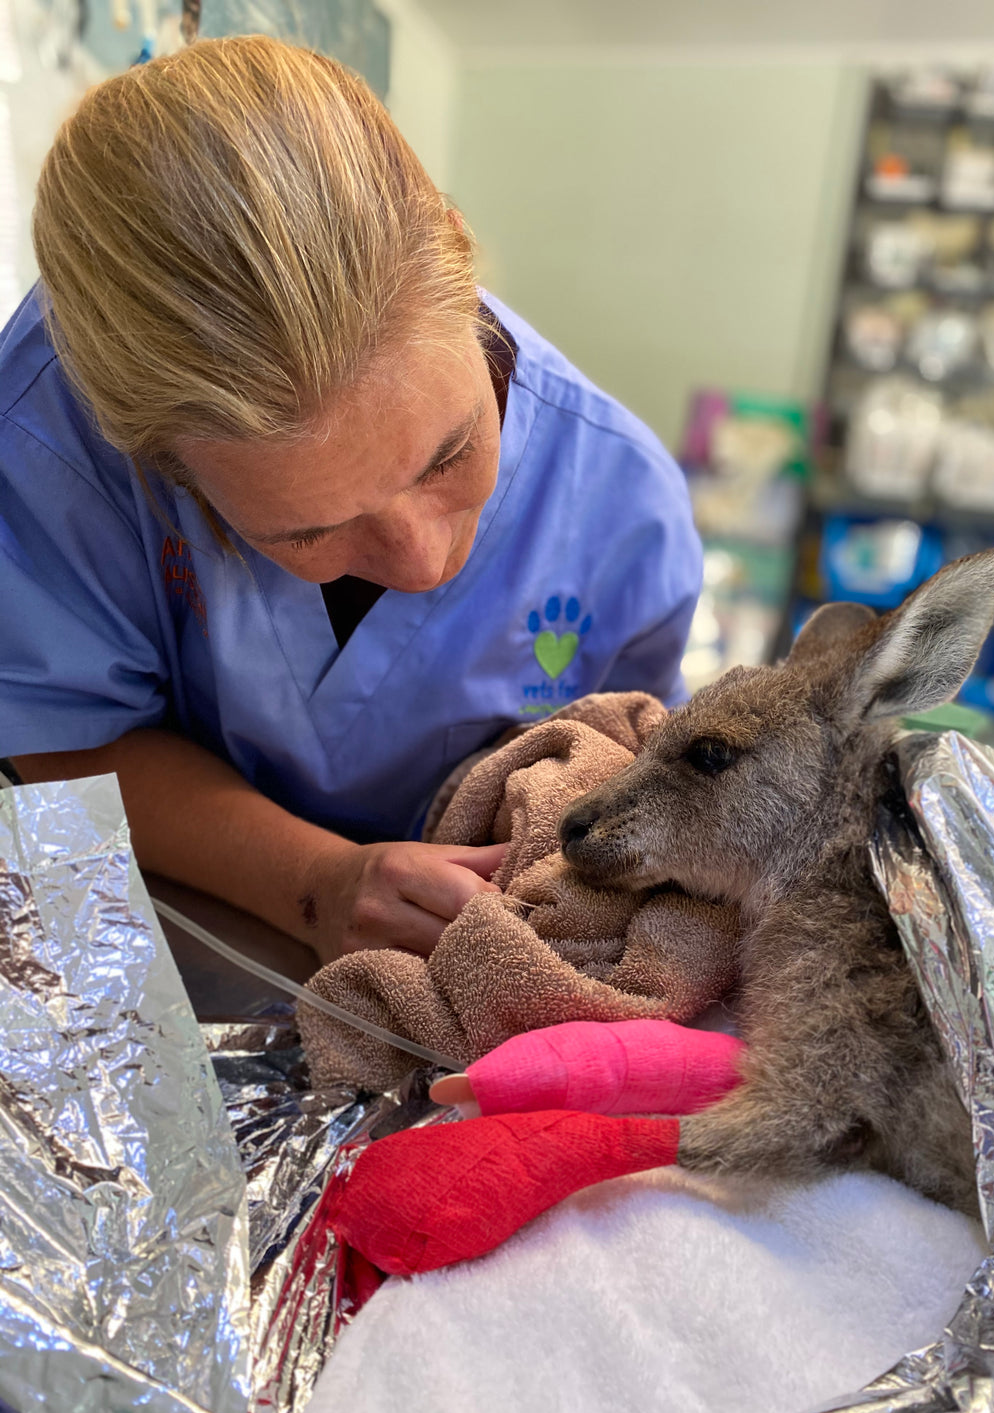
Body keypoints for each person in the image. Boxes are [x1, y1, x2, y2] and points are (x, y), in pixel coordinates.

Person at [0, 36, 701, 964]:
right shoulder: (53, 433)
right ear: (146, 458)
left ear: (453, 244)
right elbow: (60, 728)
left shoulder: (624, 511)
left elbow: (638, 790)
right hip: (164, 944)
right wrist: (316, 881)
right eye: (309, 531)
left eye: (449, 454)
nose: (421, 563)